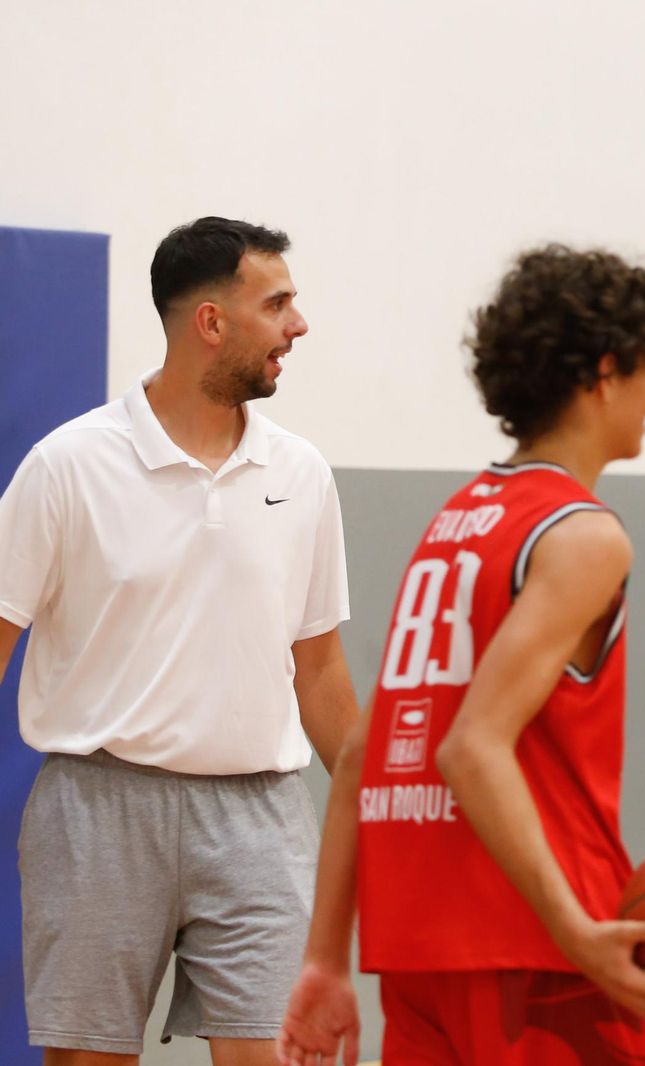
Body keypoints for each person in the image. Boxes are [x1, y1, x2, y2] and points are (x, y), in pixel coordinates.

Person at [277, 244, 645, 1066]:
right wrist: (576, 931)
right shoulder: (582, 535)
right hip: (543, 955)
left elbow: (364, 753)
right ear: (605, 371)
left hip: (421, 953)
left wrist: (326, 960)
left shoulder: (454, 522)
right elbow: (471, 747)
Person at [0, 217, 360, 1064]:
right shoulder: (67, 465)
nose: (298, 326)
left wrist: (385, 808)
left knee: (281, 1053)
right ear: (211, 321)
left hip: (261, 815)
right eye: (277, 305)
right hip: (97, 808)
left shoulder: (301, 473)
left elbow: (320, 673)